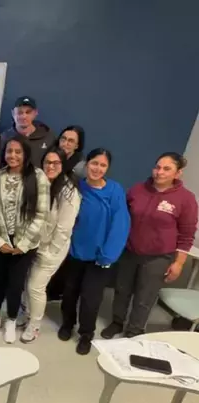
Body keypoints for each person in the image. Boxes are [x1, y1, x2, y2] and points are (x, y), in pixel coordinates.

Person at [103, 152, 198, 339]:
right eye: (157, 167)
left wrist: (178, 263)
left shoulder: (186, 199)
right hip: (130, 251)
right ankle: (117, 322)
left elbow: (187, 234)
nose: (159, 172)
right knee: (122, 290)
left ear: (178, 173)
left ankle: (135, 331)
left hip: (158, 257)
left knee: (145, 296)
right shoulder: (137, 190)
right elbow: (122, 218)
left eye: (166, 169)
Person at [59, 148, 130, 355]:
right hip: (74, 253)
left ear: (107, 168)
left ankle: (86, 334)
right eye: (94, 163)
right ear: (86, 164)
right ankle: (67, 324)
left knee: (91, 299)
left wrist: (108, 254)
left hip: (100, 258)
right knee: (69, 292)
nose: (97, 168)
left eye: (103, 165)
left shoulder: (115, 191)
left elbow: (120, 224)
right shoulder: (76, 187)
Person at [0, 135, 50, 343]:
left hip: (24, 244)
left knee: (15, 283)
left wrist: (24, 244)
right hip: (0, 241)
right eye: (9, 151)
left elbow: (41, 214)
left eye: (18, 152)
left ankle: (11, 319)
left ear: (25, 154)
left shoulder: (38, 177)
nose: (13, 155)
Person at [20, 148, 81, 343]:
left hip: (52, 248)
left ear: (63, 165)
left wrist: (50, 251)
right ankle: (27, 316)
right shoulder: (40, 183)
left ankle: (35, 325)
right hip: (34, 244)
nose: (51, 166)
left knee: (35, 287)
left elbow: (64, 228)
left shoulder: (69, 192)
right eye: (47, 162)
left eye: (56, 163)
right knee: (27, 282)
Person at [45, 125, 87, 303]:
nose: (66, 143)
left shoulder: (81, 168)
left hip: (68, 216)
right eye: (63, 139)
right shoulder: (50, 156)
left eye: (71, 141)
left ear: (77, 145)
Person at [1, 96, 56, 168]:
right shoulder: (4, 138)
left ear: (35, 113)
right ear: (13, 113)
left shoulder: (48, 137)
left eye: (28, 112)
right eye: (20, 112)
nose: (24, 116)